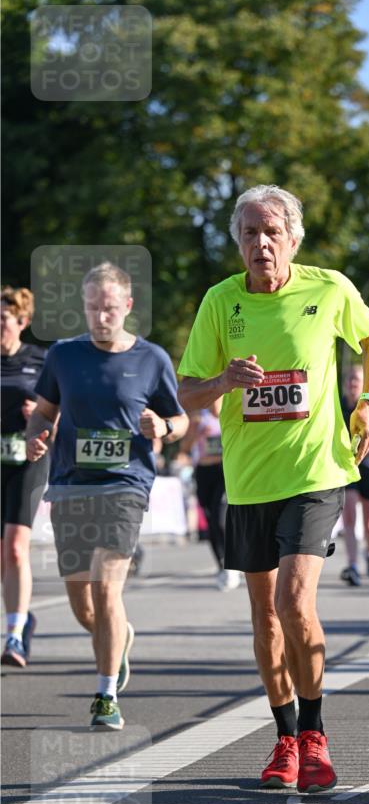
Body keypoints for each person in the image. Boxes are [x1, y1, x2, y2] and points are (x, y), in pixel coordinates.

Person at [177, 185, 369, 793]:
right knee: (266, 619)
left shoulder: (329, 288)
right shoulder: (220, 302)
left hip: (316, 472)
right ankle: (284, 737)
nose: (260, 243)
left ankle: (316, 733)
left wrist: (367, 402)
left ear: (293, 238)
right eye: (249, 232)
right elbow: (186, 392)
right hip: (247, 483)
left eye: (271, 231)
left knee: (297, 604)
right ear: (237, 242)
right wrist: (222, 380)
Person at [26, 262, 188, 729]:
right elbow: (43, 412)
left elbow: (180, 420)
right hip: (70, 484)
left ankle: (105, 695)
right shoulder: (63, 355)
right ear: (84, 306)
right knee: (84, 606)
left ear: (128, 307)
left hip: (126, 484)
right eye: (94, 308)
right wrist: (38, 436)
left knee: (106, 585)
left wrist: (165, 427)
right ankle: (118, 640)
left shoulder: (151, 359)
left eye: (111, 308)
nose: (102, 317)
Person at [1, 287, 48, 667]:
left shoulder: (40, 360)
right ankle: (23, 616)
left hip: (27, 458)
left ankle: (14, 634)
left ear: (22, 322)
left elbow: (59, 411)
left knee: (16, 546)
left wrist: (40, 413)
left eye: (4, 319)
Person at [181, 397, 240, 590]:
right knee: (210, 520)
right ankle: (222, 563)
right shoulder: (199, 417)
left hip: (225, 471)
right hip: (204, 472)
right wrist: (195, 433)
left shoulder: (232, 411)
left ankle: (232, 565)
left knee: (220, 518)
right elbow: (185, 448)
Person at [339, 363, 369, 586]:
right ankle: (352, 564)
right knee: (349, 515)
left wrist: (361, 444)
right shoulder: (338, 405)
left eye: (357, 381)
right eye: (350, 380)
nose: (352, 385)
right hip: (347, 467)